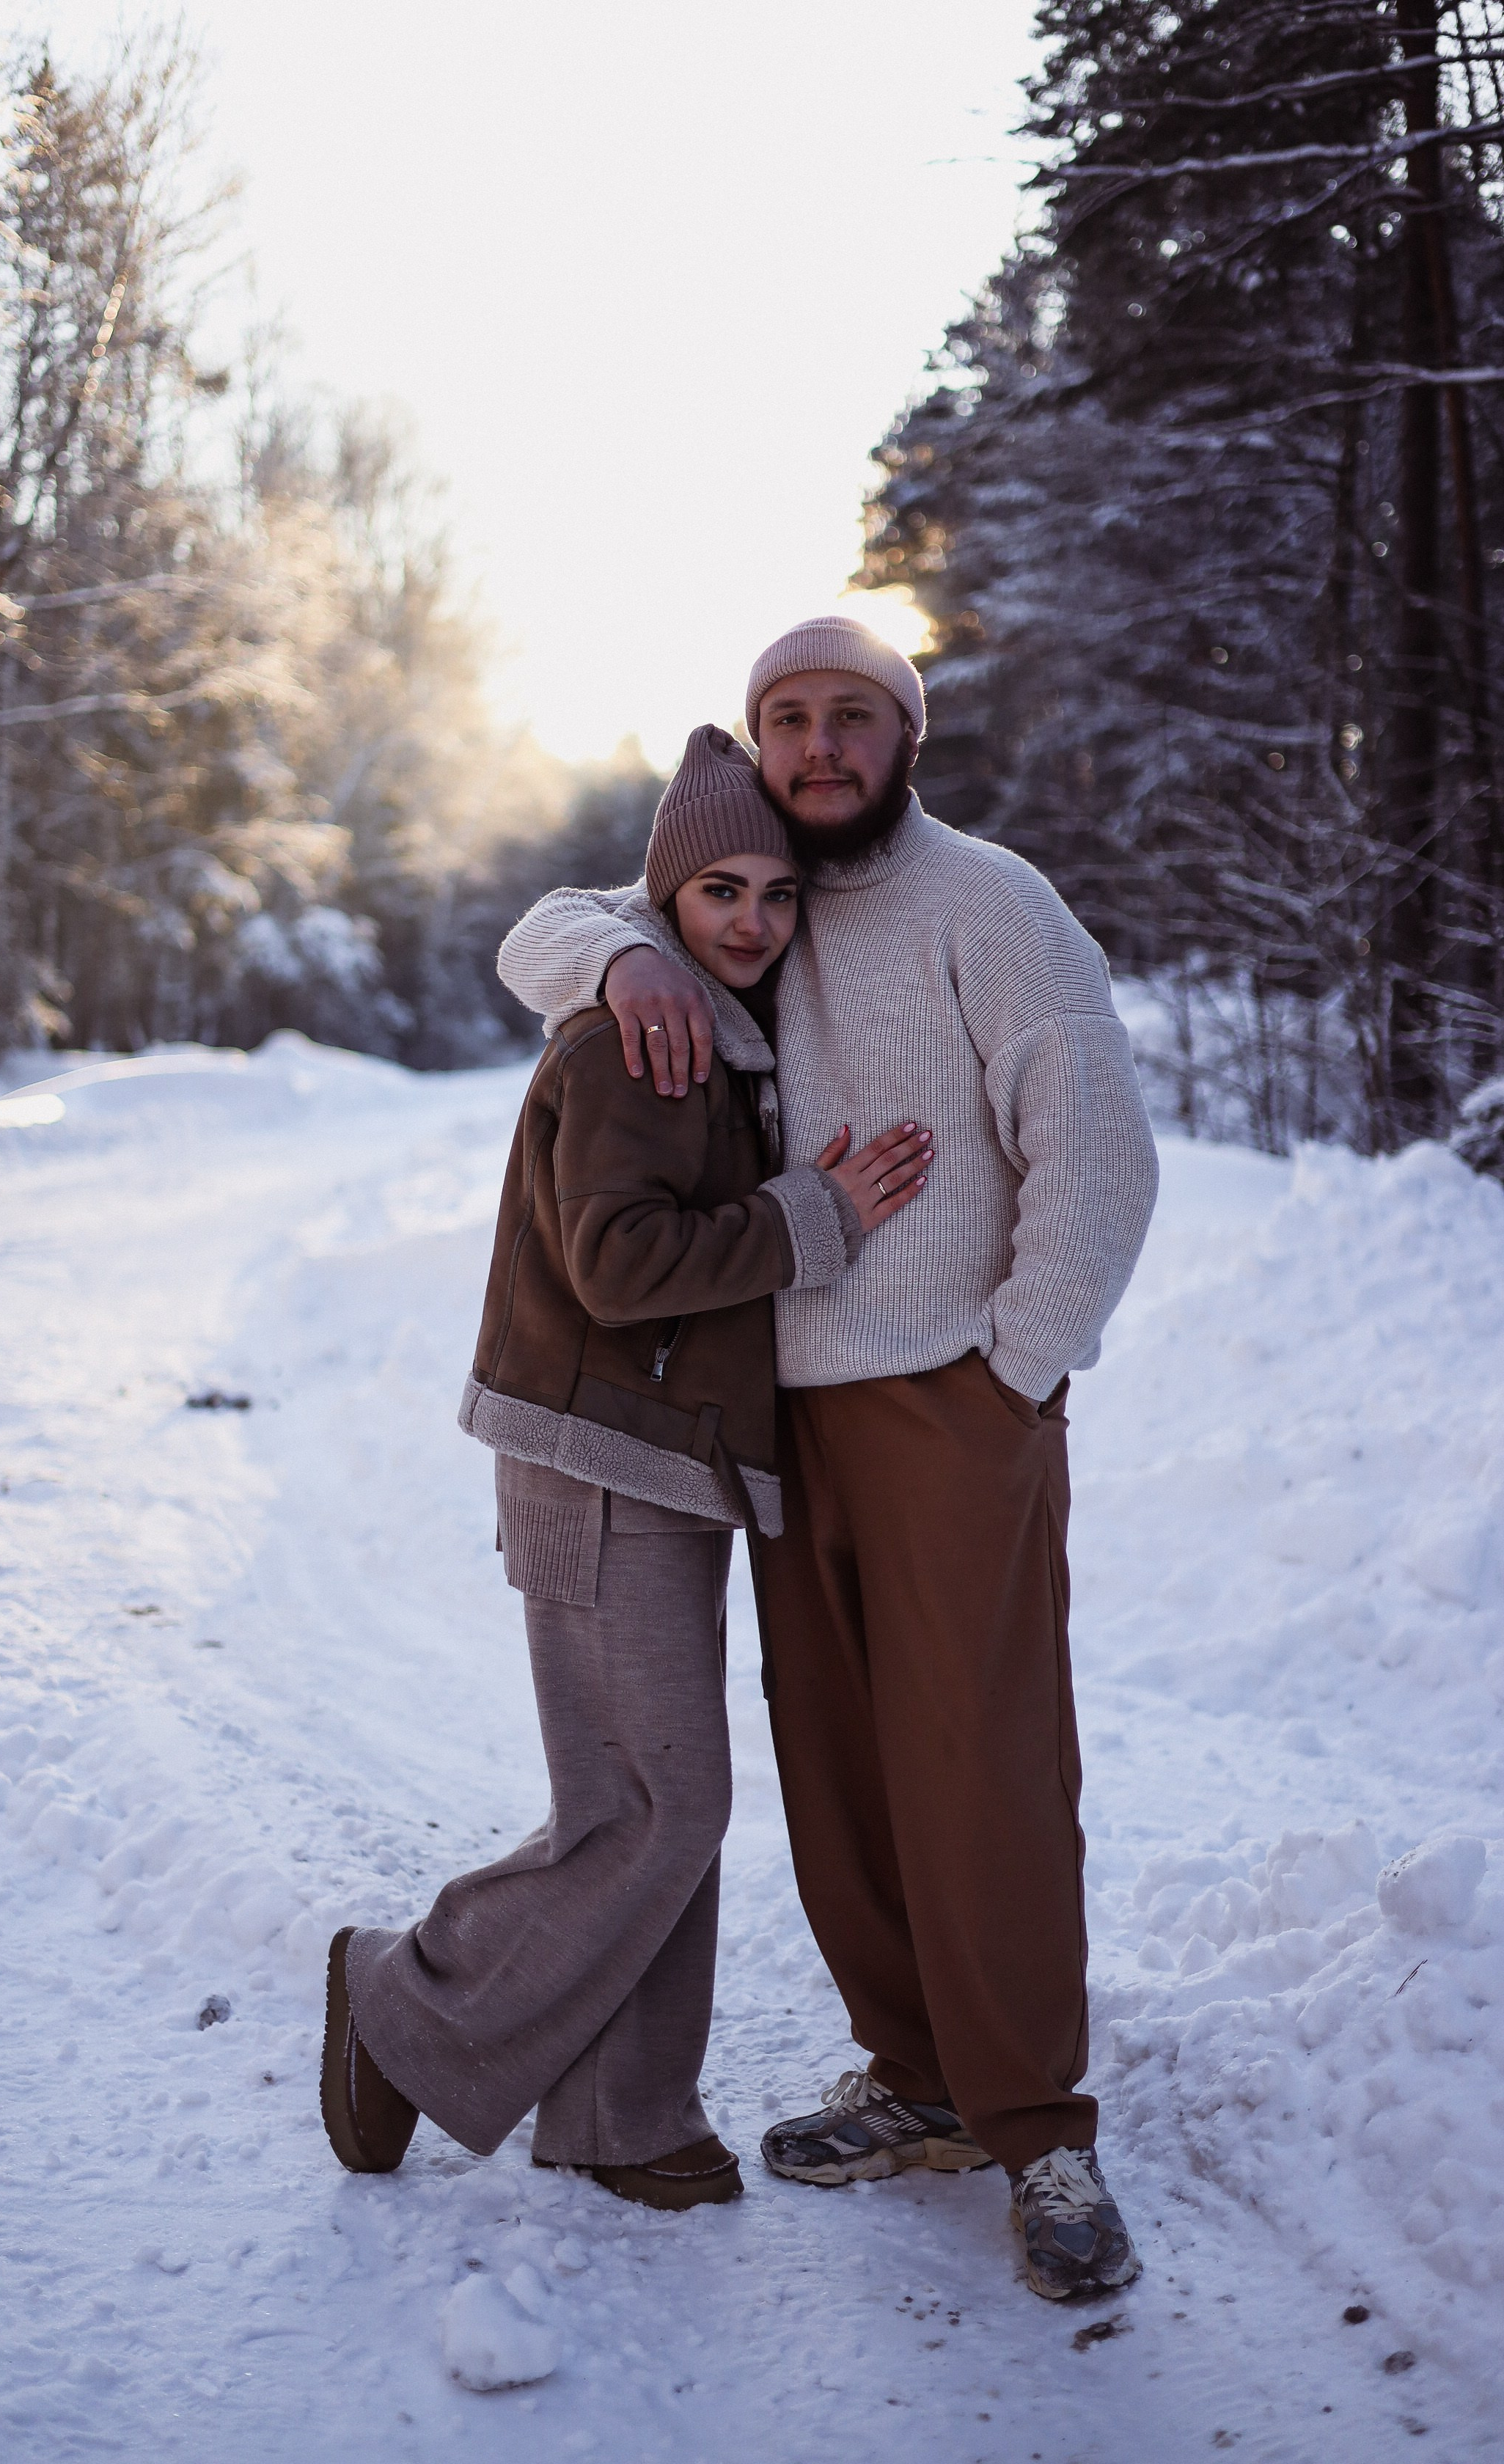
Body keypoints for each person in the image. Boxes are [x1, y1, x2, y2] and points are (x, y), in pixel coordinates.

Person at [493, 616, 1161, 2299]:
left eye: (848, 717)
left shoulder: (989, 903)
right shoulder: (745, 908)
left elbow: (1097, 1155)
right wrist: (626, 959)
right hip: (785, 1419)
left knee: (983, 1763)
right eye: (784, 720)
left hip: (949, 1403)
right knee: (843, 1771)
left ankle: (1037, 2125)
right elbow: (537, 932)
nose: (816, 749)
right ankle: (917, 2077)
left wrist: (1012, 1374)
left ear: (904, 735)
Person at [318, 722, 931, 2212]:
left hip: (657, 1456)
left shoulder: (713, 1032)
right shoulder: (640, 1038)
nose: (749, 922)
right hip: (596, 1457)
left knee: (645, 1799)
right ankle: (403, 2003)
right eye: (718, 891)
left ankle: (623, 2109)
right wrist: (812, 1216)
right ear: (664, 896)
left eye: (775, 897)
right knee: (663, 1805)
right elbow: (614, 1264)